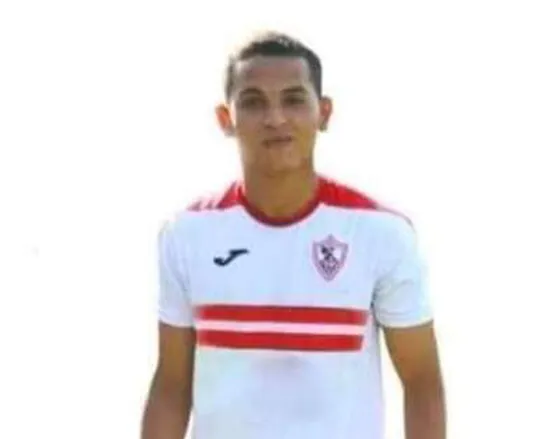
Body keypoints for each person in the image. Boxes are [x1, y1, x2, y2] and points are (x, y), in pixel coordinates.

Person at [141, 31, 446, 439]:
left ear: (324, 112)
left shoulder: (381, 234)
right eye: (253, 102)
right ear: (226, 119)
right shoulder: (187, 235)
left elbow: (422, 381)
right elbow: (171, 386)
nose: (275, 118)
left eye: (293, 100)